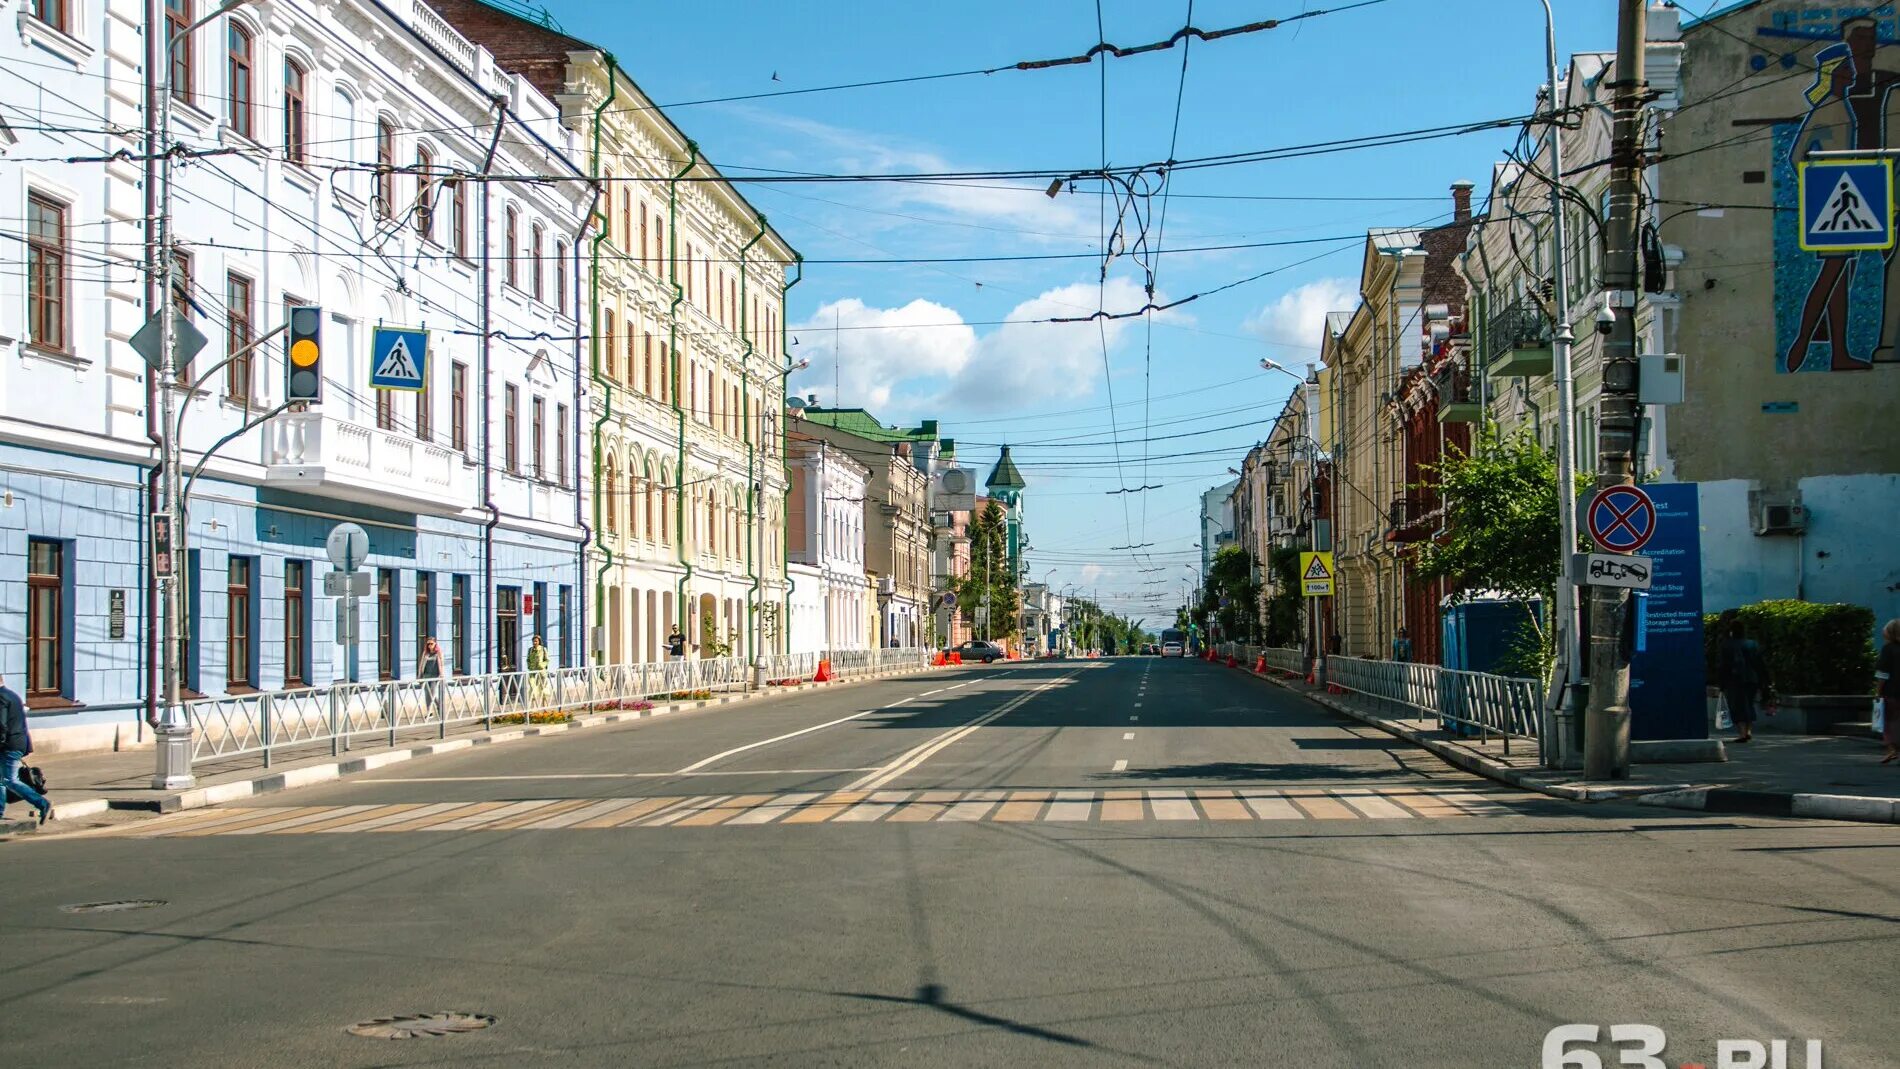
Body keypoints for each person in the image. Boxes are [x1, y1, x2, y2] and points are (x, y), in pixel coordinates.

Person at [1, 675, 52, 825]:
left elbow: (1, 725)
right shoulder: (12, 695)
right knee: (2, 780)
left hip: (8, 745)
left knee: (10, 780)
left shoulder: (1, 697)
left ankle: (42, 803)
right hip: (17, 742)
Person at [1715, 620, 1770, 743]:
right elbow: (1760, 663)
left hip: (1734, 680)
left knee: (1737, 706)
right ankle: (1749, 731)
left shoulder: (1726, 645)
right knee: (1749, 704)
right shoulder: (1752, 644)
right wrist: (1765, 680)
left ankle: (1742, 733)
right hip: (1752, 679)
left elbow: (1723, 666)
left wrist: (1721, 683)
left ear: (1731, 631)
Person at [1877, 618, 1899, 764]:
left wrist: (1878, 691)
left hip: (1892, 691)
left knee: (1888, 721)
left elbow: (1883, 673)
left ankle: (1892, 749)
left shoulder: (1888, 649)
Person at [526, 634, 550, 705]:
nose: (535, 643)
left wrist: (541, 665)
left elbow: (547, 660)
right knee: (532, 688)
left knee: (543, 688)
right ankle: (532, 707)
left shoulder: (543, 649)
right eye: (533, 641)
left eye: (536, 641)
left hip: (541, 672)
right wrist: (529, 666)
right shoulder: (530, 650)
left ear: (539, 641)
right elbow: (528, 660)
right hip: (532, 672)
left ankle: (544, 705)